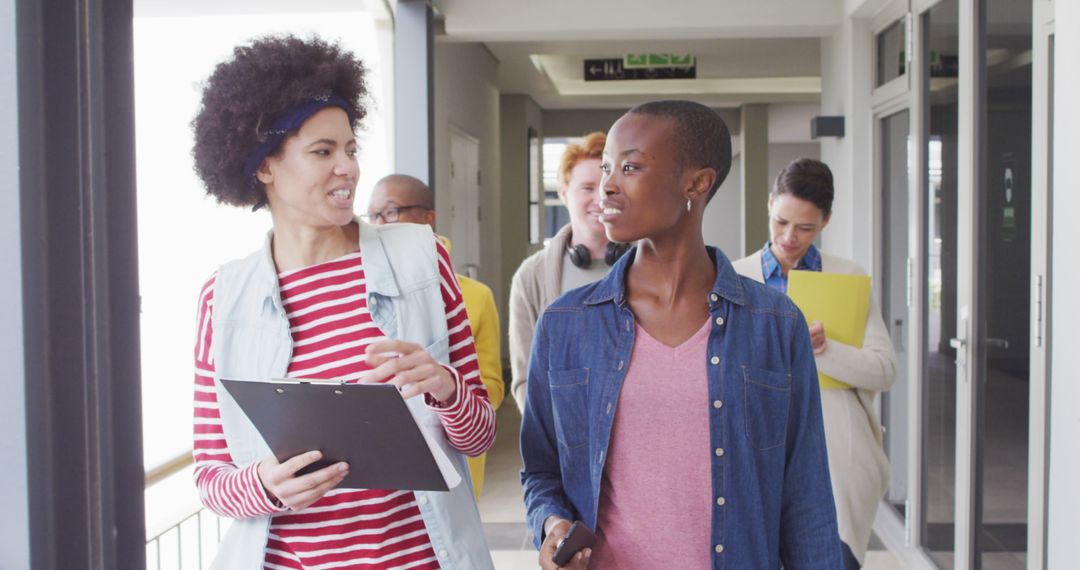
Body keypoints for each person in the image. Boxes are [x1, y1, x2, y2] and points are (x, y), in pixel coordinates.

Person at [188, 36, 495, 569]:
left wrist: (446, 388)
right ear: (264, 166)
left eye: (350, 148)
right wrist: (266, 485)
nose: (348, 168)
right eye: (322, 152)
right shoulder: (223, 299)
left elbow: (479, 435)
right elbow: (211, 478)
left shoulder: (423, 261)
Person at [520, 100, 843, 569]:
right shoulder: (565, 323)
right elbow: (542, 470)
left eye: (629, 167)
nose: (605, 186)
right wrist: (552, 526)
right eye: (607, 167)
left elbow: (807, 494)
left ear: (697, 183)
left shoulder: (775, 324)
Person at [732, 157, 896, 570]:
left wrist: (823, 349)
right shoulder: (736, 279)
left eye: (805, 227)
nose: (789, 237)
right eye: (781, 221)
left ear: (826, 220)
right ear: (770, 204)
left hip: (836, 456)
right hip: (757, 449)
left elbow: (884, 370)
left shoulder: (847, 277)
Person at [366, 174, 505, 499]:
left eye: (390, 212)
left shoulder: (475, 295)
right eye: (372, 216)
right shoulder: (366, 289)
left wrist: (448, 390)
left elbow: (493, 389)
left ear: (427, 218)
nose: (378, 224)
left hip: (453, 459)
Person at [509, 132, 627, 409]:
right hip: (562, 439)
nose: (600, 199)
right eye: (587, 188)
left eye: (608, 188)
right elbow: (525, 380)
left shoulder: (651, 265)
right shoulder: (532, 276)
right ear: (564, 194)